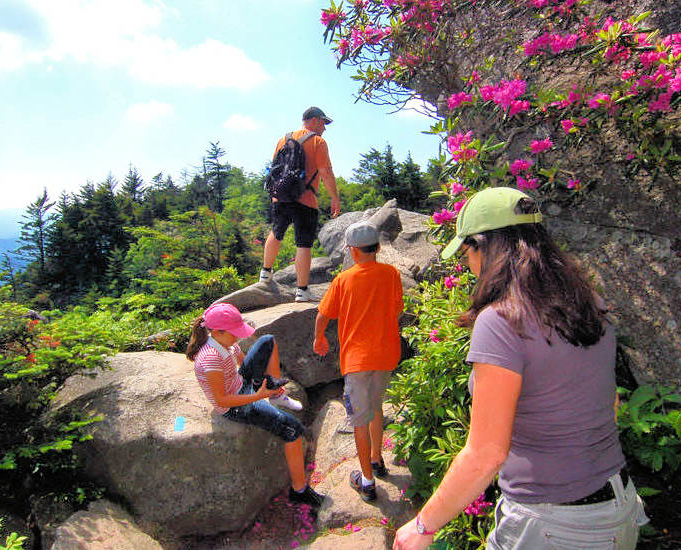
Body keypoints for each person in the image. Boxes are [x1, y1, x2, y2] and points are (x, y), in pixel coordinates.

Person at [393, 187, 648, 549]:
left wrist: (422, 526)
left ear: (487, 246)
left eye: (467, 251)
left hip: (554, 525)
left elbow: (486, 454)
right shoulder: (589, 303)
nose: (467, 265)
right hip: (618, 508)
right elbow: (610, 405)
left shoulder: (500, 321)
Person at [186, 302, 324, 507]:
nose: (238, 337)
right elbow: (222, 400)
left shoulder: (226, 343)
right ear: (217, 331)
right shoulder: (210, 359)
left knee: (267, 341)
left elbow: (242, 362)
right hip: (235, 406)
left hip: (241, 384)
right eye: (234, 333)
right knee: (292, 430)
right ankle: (299, 490)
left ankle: (276, 393)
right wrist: (258, 395)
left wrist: (267, 382)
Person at [313, 221, 403, 502]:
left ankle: (366, 482)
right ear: (376, 247)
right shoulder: (391, 274)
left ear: (353, 251)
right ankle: (377, 459)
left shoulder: (344, 279)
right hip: (386, 355)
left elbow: (323, 314)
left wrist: (319, 339)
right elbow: (397, 309)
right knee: (375, 408)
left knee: (359, 421)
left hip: (357, 360)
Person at [260, 106, 341, 303]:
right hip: (306, 198)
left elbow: (274, 168)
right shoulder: (318, 142)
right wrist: (334, 198)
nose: (324, 127)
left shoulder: (284, 138)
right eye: (323, 122)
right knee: (303, 243)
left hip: (281, 196)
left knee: (276, 231)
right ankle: (302, 291)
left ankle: (265, 273)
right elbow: (325, 172)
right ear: (312, 120)